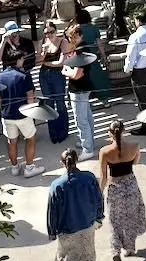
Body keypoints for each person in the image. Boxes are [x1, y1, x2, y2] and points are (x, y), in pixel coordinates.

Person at [47, 147, 104, 261]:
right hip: (86, 226)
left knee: (66, 259)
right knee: (84, 259)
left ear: (62, 163)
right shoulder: (89, 178)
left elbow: (52, 211)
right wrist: (99, 217)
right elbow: (98, 198)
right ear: (77, 160)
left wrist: (52, 231)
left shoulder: (57, 185)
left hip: (66, 229)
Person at [98, 121, 146, 261]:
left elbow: (103, 177)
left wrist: (99, 193)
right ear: (124, 131)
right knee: (131, 217)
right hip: (130, 185)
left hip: (115, 188)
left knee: (115, 221)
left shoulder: (105, 151)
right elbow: (136, 162)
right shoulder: (134, 146)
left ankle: (115, 251)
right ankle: (130, 248)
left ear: (109, 133)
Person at [0, 61, 44, 177]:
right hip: (23, 114)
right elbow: (30, 97)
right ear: (18, 60)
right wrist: (32, 113)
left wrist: (4, 110)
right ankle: (29, 167)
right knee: (30, 139)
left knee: (11, 142)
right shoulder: (24, 76)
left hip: (7, 115)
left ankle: (14, 167)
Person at [63, 24, 96, 160]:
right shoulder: (83, 48)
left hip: (79, 89)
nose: (72, 40)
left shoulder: (80, 51)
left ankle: (87, 149)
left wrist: (66, 71)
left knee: (81, 120)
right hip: (84, 87)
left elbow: (77, 74)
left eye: (75, 37)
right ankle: (89, 141)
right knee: (87, 116)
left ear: (81, 35)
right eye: (71, 37)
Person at [36, 21, 70, 145]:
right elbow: (38, 61)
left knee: (60, 101)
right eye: (46, 33)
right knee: (49, 103)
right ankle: (53, 133)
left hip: (57, 74)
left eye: (51, 32)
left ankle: (63, 132)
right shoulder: (42, 43)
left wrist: (45, 63)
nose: (49, 35)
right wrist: (44, 53)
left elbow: (61, 62)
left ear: (55, 31)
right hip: (44, 75)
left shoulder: (63, 42)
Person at [74, 8, 112, 106]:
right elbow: (99, 43)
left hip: (80, 57)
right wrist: (103, 55)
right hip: (92, 56)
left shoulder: (75, 30)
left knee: (80, 79)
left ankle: (84, 100)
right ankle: (105, 100)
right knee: (98, 78)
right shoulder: (94, 28)